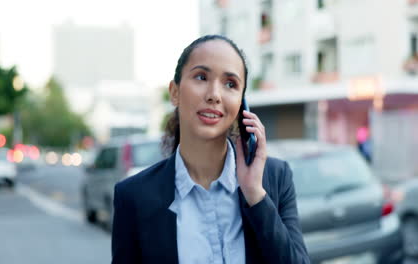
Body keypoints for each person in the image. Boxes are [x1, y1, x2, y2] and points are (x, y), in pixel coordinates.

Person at [111, 35, 310, 263]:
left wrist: (255, 195)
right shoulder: (134, 196)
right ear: (174, 92)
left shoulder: (274, 178)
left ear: (241, 103)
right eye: (201, 77)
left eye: (230, 84)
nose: (214, 95)